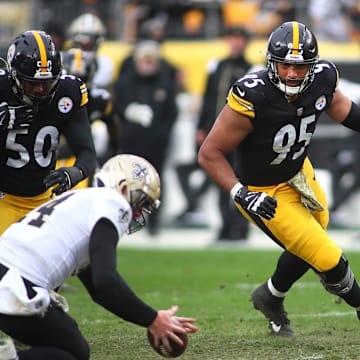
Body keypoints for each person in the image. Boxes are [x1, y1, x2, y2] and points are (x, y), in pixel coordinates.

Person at [198, 21, 360, 337]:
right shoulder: (253, 94)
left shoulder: (323, 78)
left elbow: (345, 111)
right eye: (285, 65)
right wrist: (239, 193)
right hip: (262, 189)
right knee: (326, 255)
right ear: (272, 62)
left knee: (315, 234)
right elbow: (209, 152)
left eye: (300, 67)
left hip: (298, 172)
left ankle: (270, 296)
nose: (291, 74)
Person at [0, 153, 199, 360]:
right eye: (140, 203)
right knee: (71, 353)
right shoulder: (113, 203)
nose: (138, 214)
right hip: (15, 283)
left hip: (7, 272)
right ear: (123, 187)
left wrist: (152, 317)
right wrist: (153, 319)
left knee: (73, 348)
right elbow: (106, 280)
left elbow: (99, 290)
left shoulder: (86, 200)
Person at [0, 30, 96, 235]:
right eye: (32, 83)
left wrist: (74, 173)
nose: (40, 90)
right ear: (14, 76)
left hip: (43, 201)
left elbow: (87, 153)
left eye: (47, 82)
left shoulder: (68, 92)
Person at [177, 25, 253, 239]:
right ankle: (225, 225)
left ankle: (240, 226)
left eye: (239, 39)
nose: (236, 43)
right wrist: (201, 127)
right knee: (221, 182)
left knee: (240, 179)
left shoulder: (251, 68)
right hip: (217, 133)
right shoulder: (217, 66)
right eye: (233, 38)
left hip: (238, 135)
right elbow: (208, 99)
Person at [113, 39, 178, 236]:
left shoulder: (165, 83)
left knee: (156, 182)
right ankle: (128, 219)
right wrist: (128, 114)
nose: (147, 64)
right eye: (144, 60)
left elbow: (171, 113)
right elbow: (116, 108)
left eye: (151, 60)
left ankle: (155, 221)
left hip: (155, 144)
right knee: (128, 182)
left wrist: (162, 133)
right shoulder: (125, 82)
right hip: (131, 142)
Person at [67, 12, 115, 89]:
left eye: (90, 44)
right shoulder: (64, 60)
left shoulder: (105, 64)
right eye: (82, 43)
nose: (86, 46)